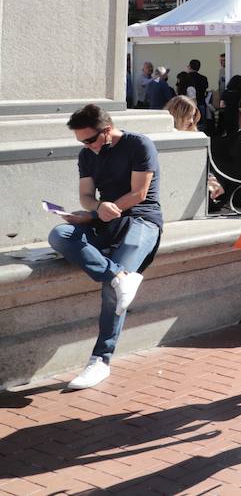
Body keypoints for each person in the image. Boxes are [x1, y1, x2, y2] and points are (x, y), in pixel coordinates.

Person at [48, 105, 162, 390]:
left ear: (107, 131)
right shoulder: (87, 154)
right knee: (60, 234)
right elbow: (86, 196)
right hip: (105, 219)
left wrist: (107, 209)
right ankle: (118, 276)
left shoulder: (138, 144)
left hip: (142, 220)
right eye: (81, 142)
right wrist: (95, 209)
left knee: (112, 292)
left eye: (89, 140)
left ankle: (101, 360)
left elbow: (139, 194)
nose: (86, 147)